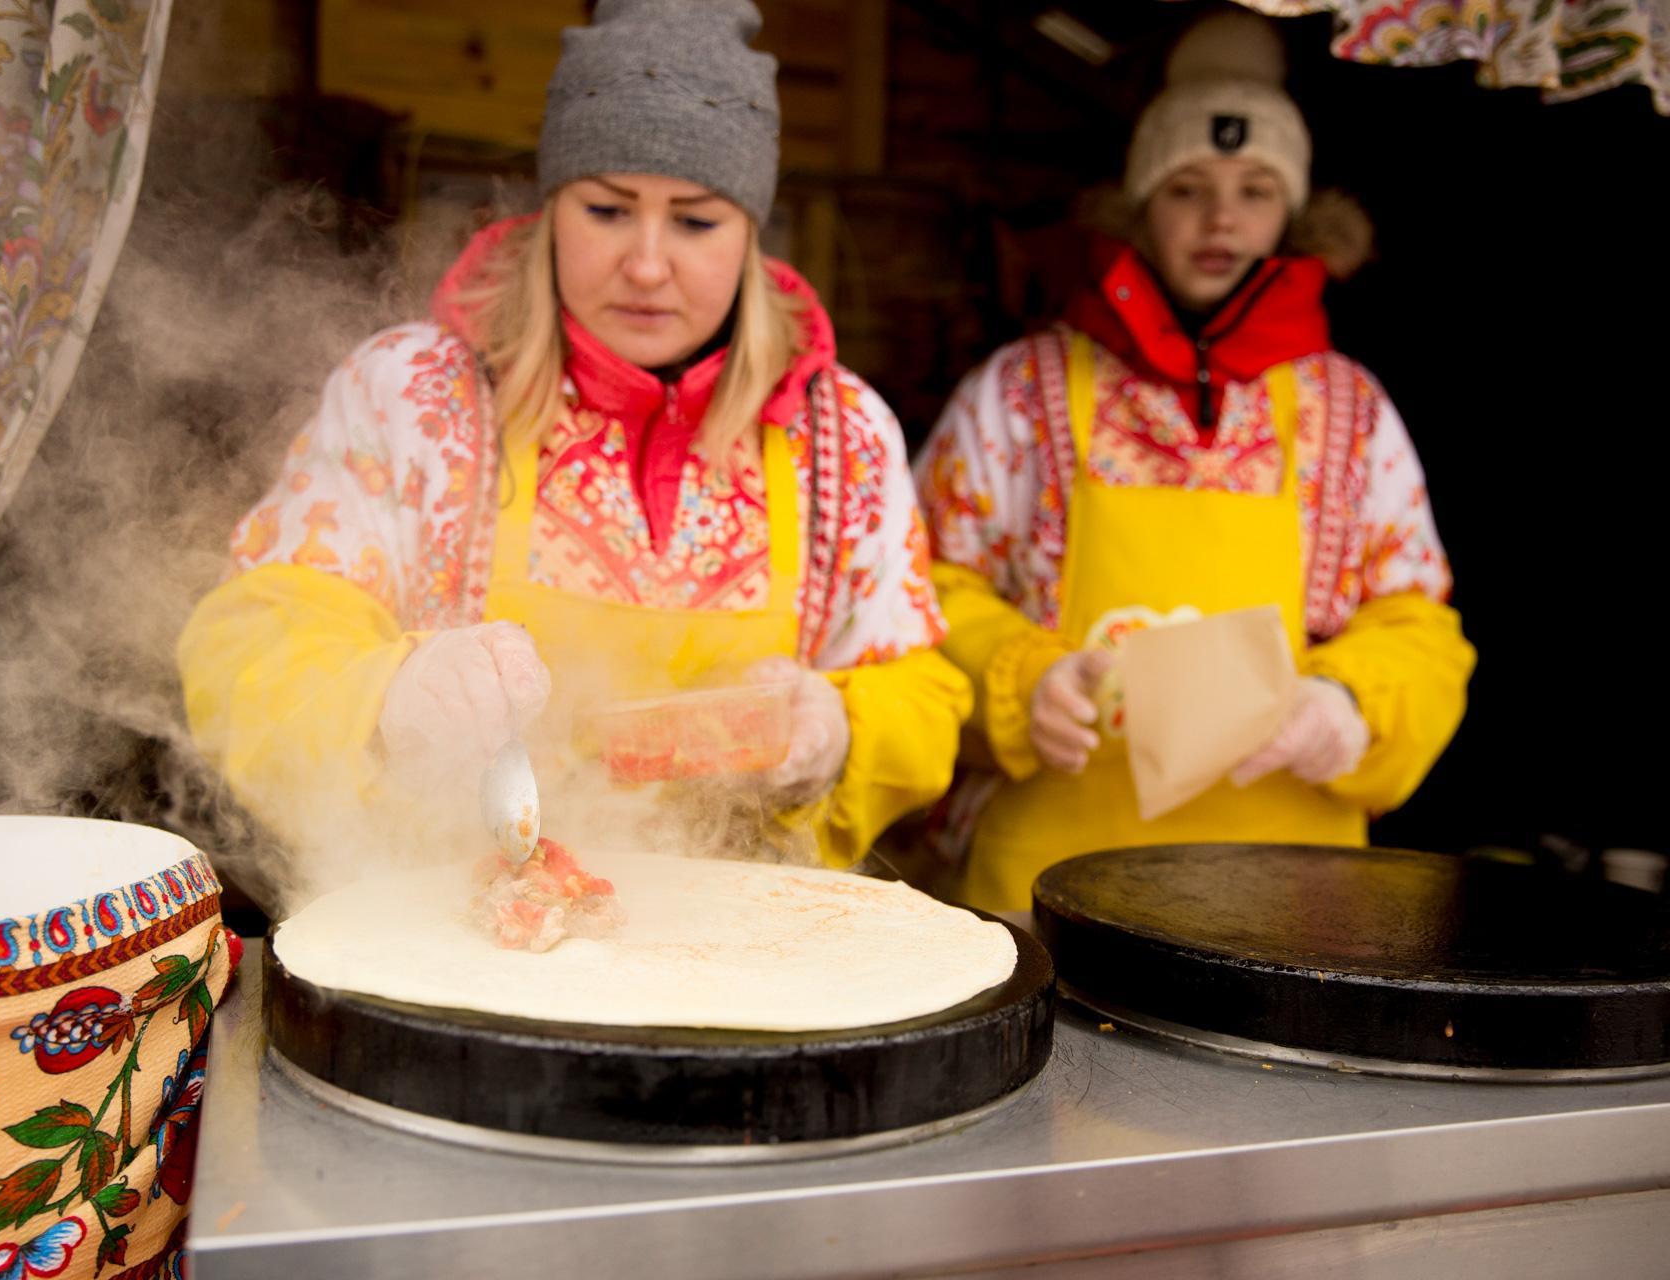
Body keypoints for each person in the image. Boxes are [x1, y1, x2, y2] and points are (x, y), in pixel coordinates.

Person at [178, 0, 968, 872]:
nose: (647, 264)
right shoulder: (409, 395)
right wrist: (382, 699)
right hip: (445, 919)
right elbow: (248, 645)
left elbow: (922, 692)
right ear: (553, 206)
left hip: (753, 931)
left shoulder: (844, 434)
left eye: (697, 221)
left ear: (752, 232)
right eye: (607, 210)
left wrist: (840, 729)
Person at [916, 10, 1475, 914]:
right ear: (1139, 206)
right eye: (1187, 188)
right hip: (1047, 881)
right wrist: (1015, 679)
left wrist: (1351, 704)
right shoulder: (1018, 391)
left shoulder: (1353, 410)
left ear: (1294, 215)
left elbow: (1417, 620)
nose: (1222, 217)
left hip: (1295, 896)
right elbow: (917, 590)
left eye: (1256, 189)